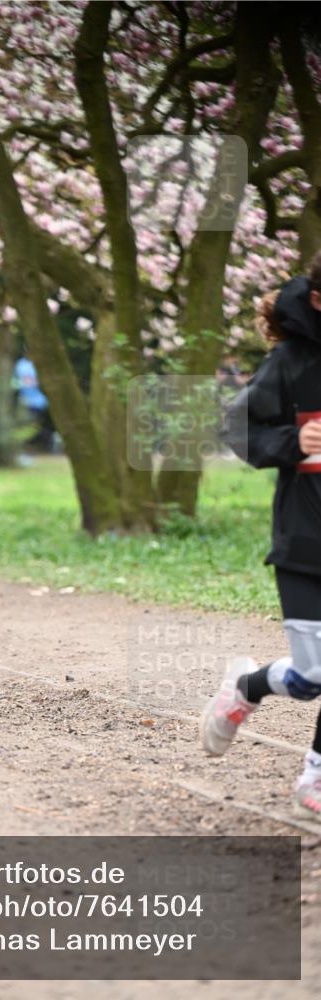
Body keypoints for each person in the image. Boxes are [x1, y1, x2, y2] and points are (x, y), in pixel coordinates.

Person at [200, 251, 321, 821]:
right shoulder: (292, 363)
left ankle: (314, 780)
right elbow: (237, 426)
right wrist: (292, 446)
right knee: (311, 677)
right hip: (306, 540)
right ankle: (246, 686)